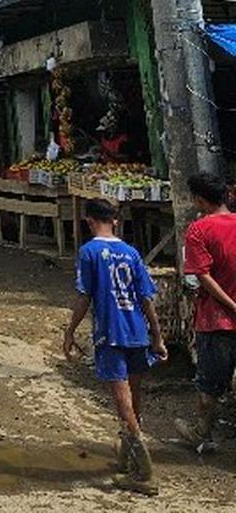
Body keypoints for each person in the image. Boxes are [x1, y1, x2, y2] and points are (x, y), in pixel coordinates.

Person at [62, 199, 166, 496]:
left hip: (110, 333)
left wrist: (69, 331)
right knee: (134, 396)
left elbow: (84, 296)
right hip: (137, 331)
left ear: (89, 221)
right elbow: (147, 298)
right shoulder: (131, 252)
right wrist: (157, 337)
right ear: (115, 221)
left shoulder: (89, 252)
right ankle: (128, 455)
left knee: (122, 399)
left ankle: (143, 471)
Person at [174, 172, 236, 451]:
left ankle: (203, 433)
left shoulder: (198, 230)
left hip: (217, 320)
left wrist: (232, 306)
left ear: (200, 199)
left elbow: (202, 276)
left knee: (209, 384)